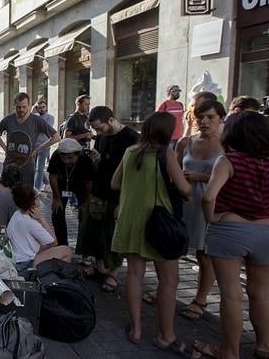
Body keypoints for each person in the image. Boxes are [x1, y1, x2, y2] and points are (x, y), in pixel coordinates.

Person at [111, 112, 192, 354]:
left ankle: (136, 329)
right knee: (168, 281)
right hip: (160, 225)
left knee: (135, 274)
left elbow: (114, 183)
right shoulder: (165, 153)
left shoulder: (130, 152)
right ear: (167, 132)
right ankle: (166, 335)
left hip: (131, 221)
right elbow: (185, 188)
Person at [192, 111, 269, 359]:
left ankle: (229, 351)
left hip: (230, 230)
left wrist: (210, 218)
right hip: (266, 230)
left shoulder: (228, 161)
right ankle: (264, 346)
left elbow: (208, 196)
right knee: (260, 293)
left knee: (231, 294)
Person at [75, 106, 139, 293]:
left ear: (111, 120)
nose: (98, 133)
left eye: (99, 128)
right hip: (99, 191)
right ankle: (98, 265)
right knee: (94, 231)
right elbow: (100, 166)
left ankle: (112, 272)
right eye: (95, 130)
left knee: (112, 234)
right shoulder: (101, 137)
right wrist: (96, 159)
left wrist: (124, 202)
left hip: (118, 195)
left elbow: (134, 174)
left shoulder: (131, 138)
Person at [173, 99, 225, 320]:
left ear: (221, 118)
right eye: (199, 117)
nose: (204, 121)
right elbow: (173, 170)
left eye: (210, 117)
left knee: (205, 255)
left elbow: (233, 178)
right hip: (185, 204)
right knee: (172, 250)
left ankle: (200, 299)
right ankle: (164, 289)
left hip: (211, 205)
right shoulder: (185, 142)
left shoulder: (228, 145)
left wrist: (201, 177)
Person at [0, 92, 60, 186]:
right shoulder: (8, 119)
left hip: (27, 167)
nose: (21, 109)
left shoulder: (37, 120)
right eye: (18, 107)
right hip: (9, 166)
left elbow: (56, 137)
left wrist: (38, 149)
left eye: (24, 107)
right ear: (14, 105)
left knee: (25, 197)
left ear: (29, 106)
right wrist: (5, 148)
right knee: (5, 194)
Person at [6, 183, 73, 270]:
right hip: (26, 262)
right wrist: (42, 219)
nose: (39, 198)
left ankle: (54, 277)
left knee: (63, 257)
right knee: (66, 251)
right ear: (33, 202)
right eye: (37, 196)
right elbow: (54, 242)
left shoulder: (17, 214)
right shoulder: (30, 222)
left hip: (19, 256)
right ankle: (50, 278)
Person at [47, 138, 94, 247]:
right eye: (64, 157)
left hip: (81, 185)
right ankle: (62, 244)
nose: (67, 161)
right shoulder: (56, 156)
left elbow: (88, 183)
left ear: (77, 154)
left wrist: (84, 202)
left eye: (70, 158)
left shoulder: (85, 159)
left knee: (84, 215)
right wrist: (56, 199)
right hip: (62, 185)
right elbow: (53, 177)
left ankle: (83, 248)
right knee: (57, 212)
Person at [33, 99, 55, 191]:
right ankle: (47, 182)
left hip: (44, 145)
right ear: (37, 108)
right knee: (34, 168)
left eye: (43, 107)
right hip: (33, 146)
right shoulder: (34, 116)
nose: (42, 109)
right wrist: (32, 110)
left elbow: (45, 129)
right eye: (39, 108)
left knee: (39, 168)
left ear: (46, 107)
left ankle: (36, 189)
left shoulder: (50, 117)